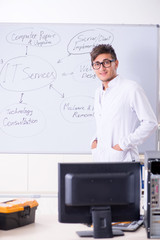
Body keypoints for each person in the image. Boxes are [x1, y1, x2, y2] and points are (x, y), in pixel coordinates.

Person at [90, 44, 158, 162]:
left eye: (106, 62)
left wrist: (123, 145)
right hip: (100, 160)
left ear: (115, 64)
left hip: (123, 160)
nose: (102, 68)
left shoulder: (131, 89)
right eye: (97, 64)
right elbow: (103, 124)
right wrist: (94, 141)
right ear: (93, 67)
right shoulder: (98, 92)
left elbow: (151, 123)